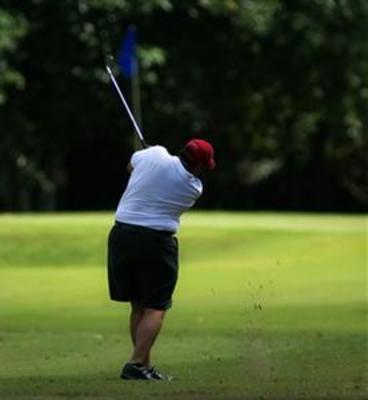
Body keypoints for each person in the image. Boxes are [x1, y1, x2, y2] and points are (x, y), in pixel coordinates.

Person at [107, 138, 215, 381]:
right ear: (197, 165)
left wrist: (149, 160)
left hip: (121, 235)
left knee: (137, 304)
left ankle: (143, 365)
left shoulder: (154, 154)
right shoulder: (193, 187)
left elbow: (131, 168)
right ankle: (136, 363)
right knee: (156, 306)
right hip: (155, 242)